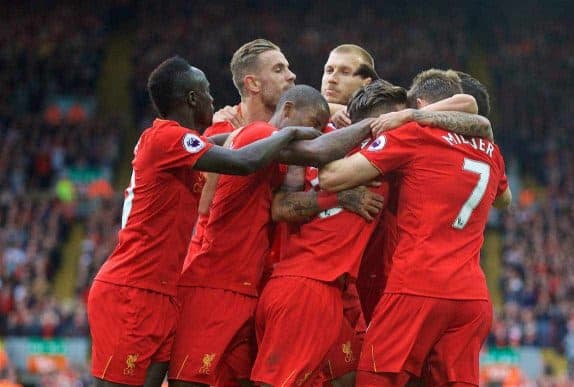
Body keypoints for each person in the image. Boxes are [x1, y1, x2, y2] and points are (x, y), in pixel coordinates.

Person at [87, 57, 320, 387]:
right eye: (207, 91)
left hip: (164, 293)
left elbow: (233, 144)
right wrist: (289, 131)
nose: (214, 99)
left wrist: (245, 130)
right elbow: (244, 160)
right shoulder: (166, 138)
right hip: (132, 289)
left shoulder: (179, 145)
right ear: (192, 99)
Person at [168, 85, 383, 387]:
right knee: (189, 381)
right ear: (288, 110)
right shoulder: (258, 133)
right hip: (215, 282)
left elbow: (283, 200)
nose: (317, 132)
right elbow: (320, 151)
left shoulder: (275, 155)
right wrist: (384, 122)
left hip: (250, 287)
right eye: (313, 125)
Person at [318, 69, 512, 387]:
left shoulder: (416, 134)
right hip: (472, 297)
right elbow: (505, 200)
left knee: (372, 378)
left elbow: (332, 177)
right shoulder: (492, 152)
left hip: (418, 286)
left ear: (420, 104)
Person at [193, 39, 297, 248]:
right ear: (253, 84)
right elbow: (202, 207)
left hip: (265, 265)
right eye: (278, 70)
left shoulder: (294, 126)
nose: (291, 75)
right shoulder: (222, 131)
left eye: (288, 68)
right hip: (220, 261)